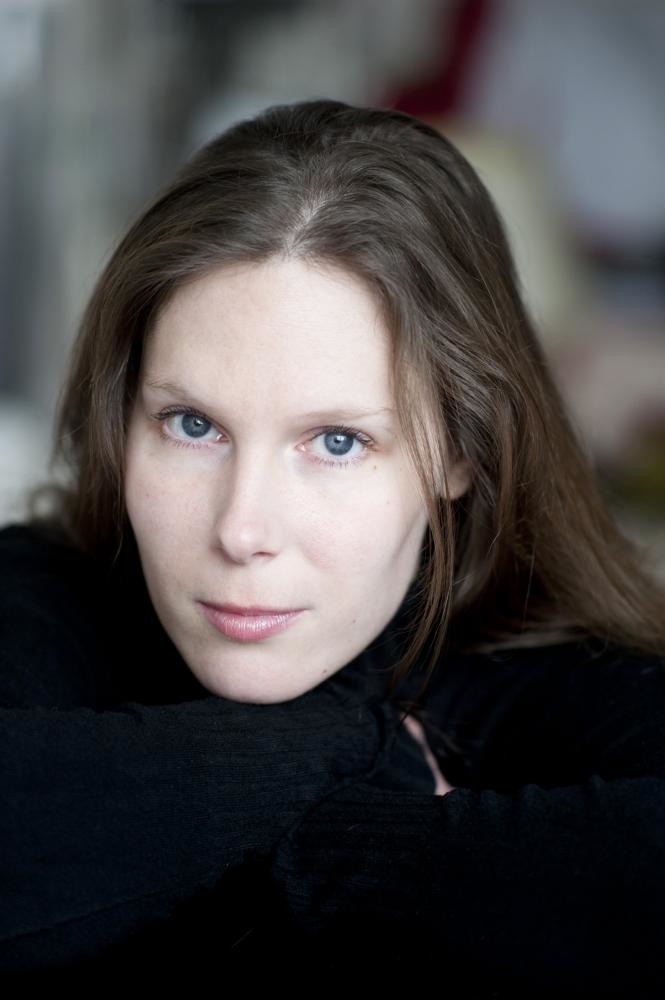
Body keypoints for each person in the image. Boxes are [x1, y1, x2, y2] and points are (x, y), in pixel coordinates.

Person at [2, 98, 665, 991]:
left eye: (337, 442)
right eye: (192, 424)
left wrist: (318, 852)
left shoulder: (553, 670)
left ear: (460, 452)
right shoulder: (45, 594)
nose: (242, 530)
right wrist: (348, 742)